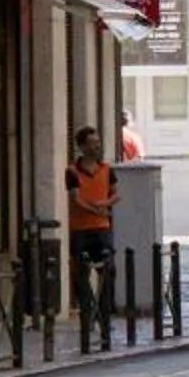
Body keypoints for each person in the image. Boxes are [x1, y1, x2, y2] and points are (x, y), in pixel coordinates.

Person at [65, 125, 116, 312]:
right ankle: (87, 312)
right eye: (92, 143)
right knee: (81, 273)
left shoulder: (106, 169)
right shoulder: (72, 171)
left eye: (98, 142)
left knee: (109, 270)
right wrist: (98, 210)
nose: (97, 146)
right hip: (81, 230)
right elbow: (75, 199)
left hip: (102, 228)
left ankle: (103, 312)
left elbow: (116, 194)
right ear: (82, 146)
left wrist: (105, 203)